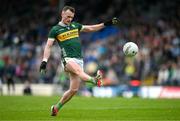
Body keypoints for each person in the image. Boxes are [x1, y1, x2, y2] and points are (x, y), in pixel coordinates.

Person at [39, 6, 120, 116]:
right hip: (67, 60)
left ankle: (56, 108)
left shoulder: (75, 26)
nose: (70, 19)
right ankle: (95, 80)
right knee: (78, 71)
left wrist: (106, 23)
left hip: (79, 59)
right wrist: (44, 61)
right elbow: (48, 46)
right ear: (62, 14)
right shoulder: (55, 30)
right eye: (68, 16)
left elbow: (91, 28)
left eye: (71, 17)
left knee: (74, 90)